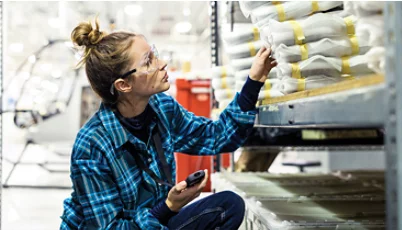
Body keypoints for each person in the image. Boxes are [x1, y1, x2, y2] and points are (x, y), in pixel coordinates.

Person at [60, 18, 277, 230]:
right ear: (123, 84)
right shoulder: (91, 146)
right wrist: (168, 207)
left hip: (154, 222)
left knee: (228, 206)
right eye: (148, 61)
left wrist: (254, 81)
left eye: (154, 54)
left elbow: (217, 137)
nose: (161, 63)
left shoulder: (162, 108)